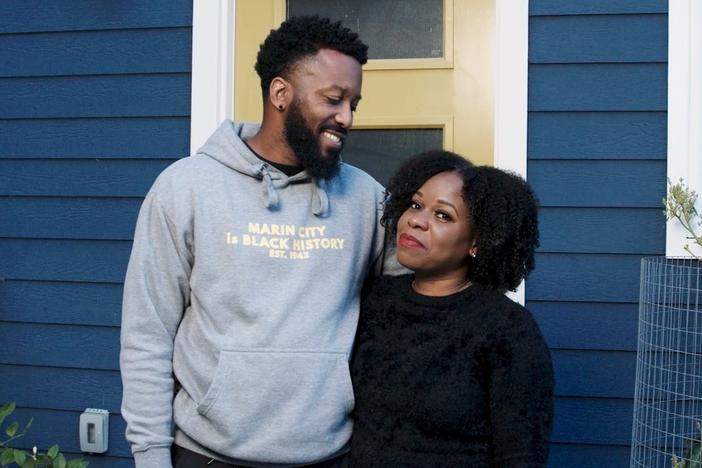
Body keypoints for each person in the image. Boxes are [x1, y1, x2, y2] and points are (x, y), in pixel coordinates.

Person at [120, 15, 396, 468]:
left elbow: (417, 303)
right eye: (333, 98)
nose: (346, 117)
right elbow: (147, 334)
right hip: (206, 455)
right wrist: (150, 454)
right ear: (281, 93)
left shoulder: (366, 198)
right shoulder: (185, 188)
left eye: (353, 103)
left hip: (330, 456)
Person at [349, 150, 554, 467]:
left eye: (442, 215)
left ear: (478, 242)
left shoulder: (507, 329)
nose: (416, 220)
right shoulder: (375, 300)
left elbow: (521, 455)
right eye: (416, 205)